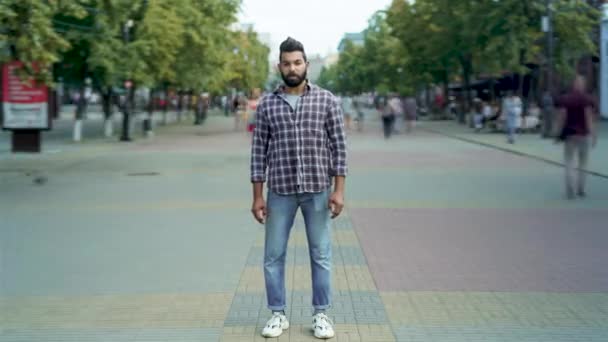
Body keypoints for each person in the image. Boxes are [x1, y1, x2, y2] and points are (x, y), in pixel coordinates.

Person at [250, 37, 347, 339]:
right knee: (273, 255)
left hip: (318, 189)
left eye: (297, 62)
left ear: (306, 64)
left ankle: (321, 315)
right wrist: (257, 197)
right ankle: (277, 315)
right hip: (279, 192)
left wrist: (339, 191)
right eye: (287, 63)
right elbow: (258, 153)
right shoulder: (267, 105)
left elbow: (339, 148)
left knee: (321, 253)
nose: (292, 68)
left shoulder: (327, 100)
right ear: (279, 66)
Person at [555, 76, 597, 199]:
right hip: (583, 135)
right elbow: (589, 117)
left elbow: (562, 117)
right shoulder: (587, 99)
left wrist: (558, 133)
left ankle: (570, 190)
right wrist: (593, 134)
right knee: (583, 163)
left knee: (569, 162)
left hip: (569, 135)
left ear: (574, 85)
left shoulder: (566, 99)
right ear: (583, 85)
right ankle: (581, 189)